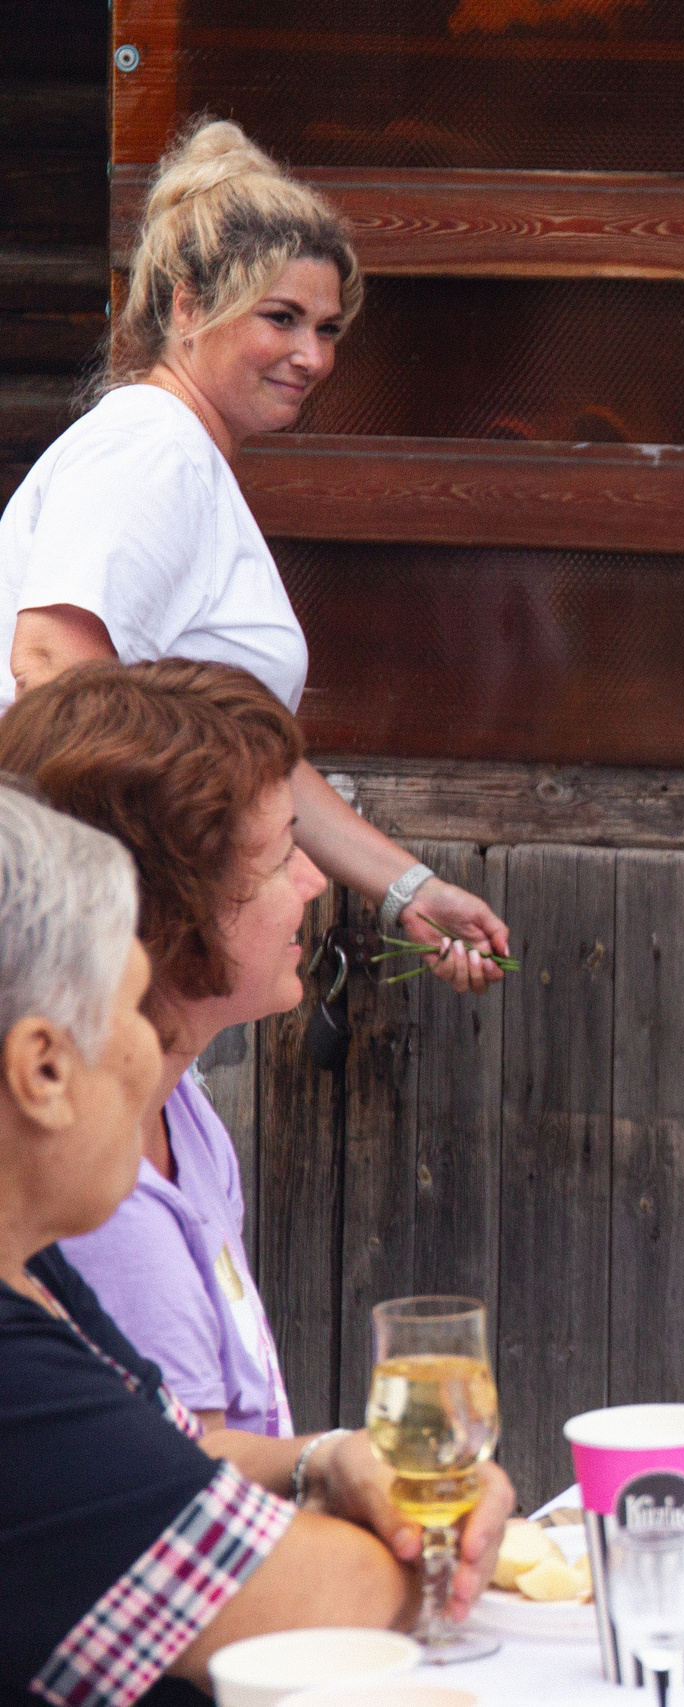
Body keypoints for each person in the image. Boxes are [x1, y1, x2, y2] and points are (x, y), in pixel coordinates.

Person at [0, 787, 511, 1706]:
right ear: (40, 1068)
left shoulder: (35, 1273)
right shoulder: (13, 1378)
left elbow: (171, 1451)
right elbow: (300, 1596)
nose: (156, 1054)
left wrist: (330, 1459)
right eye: (132, 1013)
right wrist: (436, 1533)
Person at [0, 117, 505, 995]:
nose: (313, 356)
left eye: (329, 327)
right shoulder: (152, 446)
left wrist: (408, 890)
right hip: (72, 934)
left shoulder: (184, 457)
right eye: (282, 318)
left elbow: (244, 754)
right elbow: (50, 661)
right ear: (189, 303)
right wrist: (154, 896)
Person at [0, 661, 322, 1435]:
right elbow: (194, 1492)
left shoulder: (183, 1111)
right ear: (173, 911)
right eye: (280, 857)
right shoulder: (101, 1208)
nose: (312, 880)